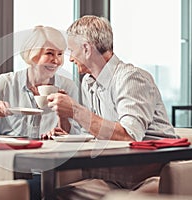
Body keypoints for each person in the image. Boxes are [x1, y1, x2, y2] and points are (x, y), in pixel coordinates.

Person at [46, 15, 177, 199]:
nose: (70, 59)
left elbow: (129, 135)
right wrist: (66, 120)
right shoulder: (89, 83)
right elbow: (96, 131)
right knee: (57, 195)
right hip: (115, 176)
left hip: (154, 174)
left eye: (71, 51)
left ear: (86, 48)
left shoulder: (131, 78)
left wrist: (76, 110)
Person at [0, 25, 80, 138]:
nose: (57, 61)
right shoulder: (4, 84)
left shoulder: (68, 87)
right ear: (32, 54)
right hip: (9, 152)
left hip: (50, 152)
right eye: (49, 53)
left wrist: (62, 119)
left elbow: (76, 135)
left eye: (60, 54)